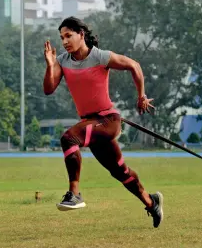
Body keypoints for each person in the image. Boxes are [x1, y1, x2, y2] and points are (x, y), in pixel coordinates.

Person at [43, 16, 163, 228]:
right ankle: (151, 202)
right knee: (120, 171)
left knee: (69, 138)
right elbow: (48, 88)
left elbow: (133, 65)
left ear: (81, 34)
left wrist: (141, 96)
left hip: (107, 120)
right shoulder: (62, 60)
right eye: (61, 38)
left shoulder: (99, 57)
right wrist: (51, 64)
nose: (64, 42)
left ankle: (74, 194)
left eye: (68, 36)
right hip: (91, 124)